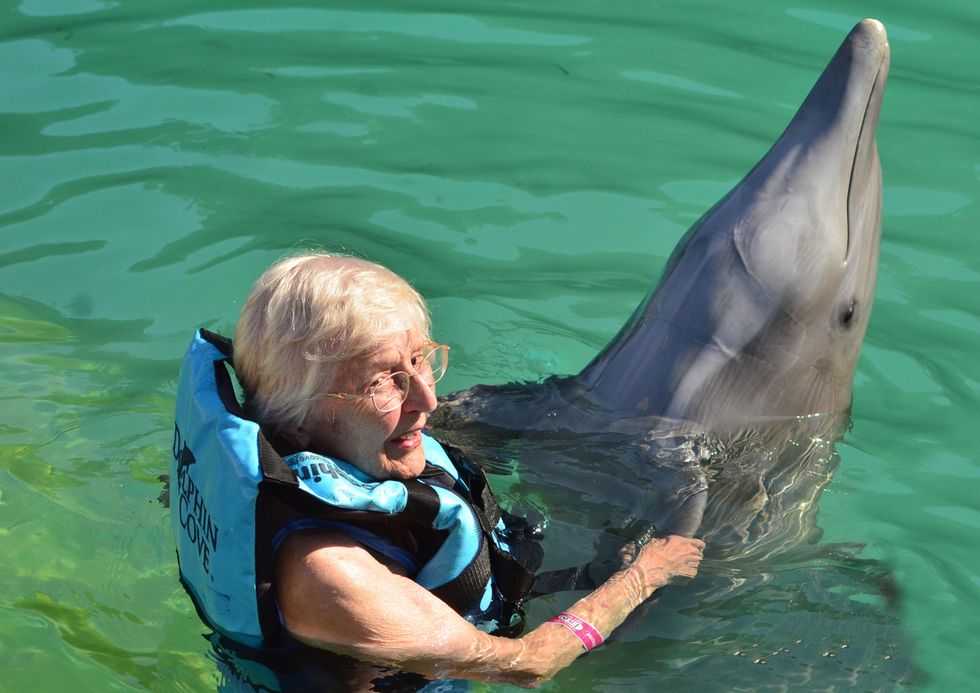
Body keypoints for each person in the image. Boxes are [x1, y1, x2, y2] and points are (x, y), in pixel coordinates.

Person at [174, 252, 704, 689]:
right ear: (294, 426)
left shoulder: (282, 454)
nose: (426, 399)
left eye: (421, 358)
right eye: (381, 382)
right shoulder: (331, 575)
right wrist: (642, 577)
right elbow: (529, 663)